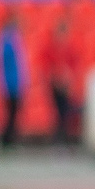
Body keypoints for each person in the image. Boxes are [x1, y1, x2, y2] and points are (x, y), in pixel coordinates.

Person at [40, 15, 83, 145]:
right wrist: (55, 77)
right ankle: (58, 141)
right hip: (55, 85)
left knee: (64, 114)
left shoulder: (69, 48)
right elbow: (45, 65)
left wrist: (68, 78)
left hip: (65, 86)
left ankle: (63, 141)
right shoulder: (51, 47)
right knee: (58, 114)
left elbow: (74, 66)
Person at [0, 12, 27, 148]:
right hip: (10, 84)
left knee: (13, 114)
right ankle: (5, 141)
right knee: (10, 114)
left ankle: (8, 140)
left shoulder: (12, 40)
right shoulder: (7, 41)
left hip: (15, 83)